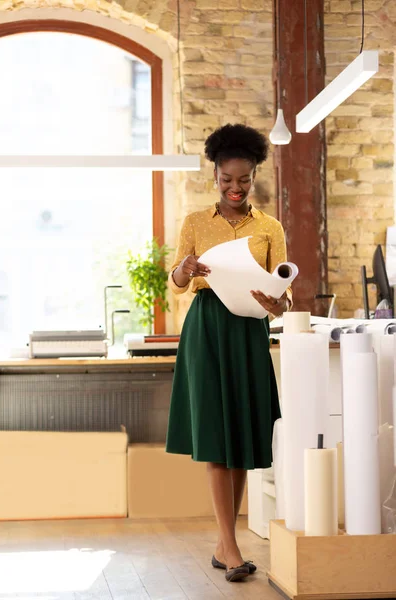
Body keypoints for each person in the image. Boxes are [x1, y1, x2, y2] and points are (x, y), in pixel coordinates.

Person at [166, 123, 292, 583]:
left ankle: (224, 544)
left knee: (240, 439)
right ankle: (232, 546)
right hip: (207, 329)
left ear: (254, 175)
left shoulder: (270, 227)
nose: (235, 188)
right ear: (214, 176)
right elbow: (177, 285)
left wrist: (279, 303)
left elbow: (284, 291)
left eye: (243, 180)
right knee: (218, 437)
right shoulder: (195, 223)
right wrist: (183, 269)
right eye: (226, 180)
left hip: (248, 328)